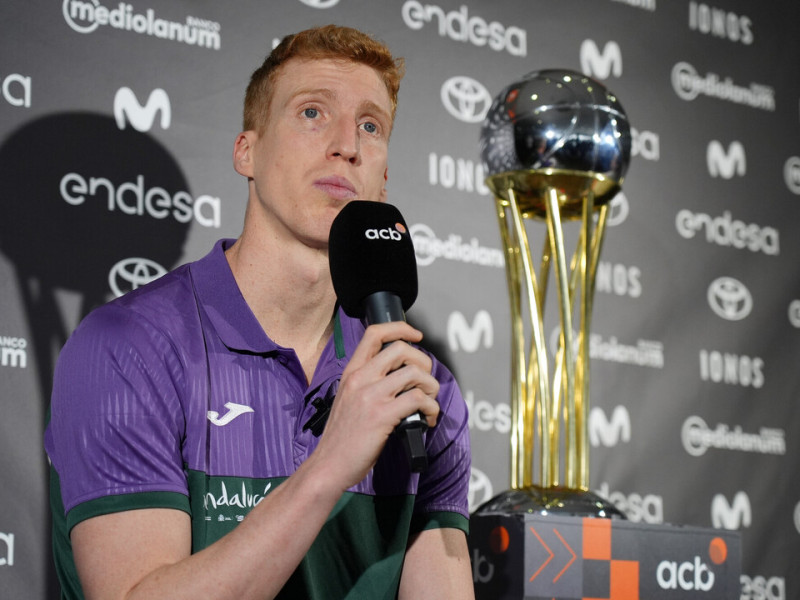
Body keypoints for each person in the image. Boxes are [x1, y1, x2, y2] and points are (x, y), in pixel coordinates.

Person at [44, 24, 474, 600]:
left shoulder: (423, 388)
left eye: (370, 126)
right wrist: (329, 466)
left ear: (383, 176)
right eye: (312, 113)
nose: (347, 143)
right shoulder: (127, 347)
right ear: (248, 151)